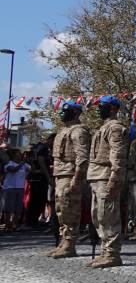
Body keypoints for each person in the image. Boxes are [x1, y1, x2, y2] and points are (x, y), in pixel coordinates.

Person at [86, 96, 129, 268]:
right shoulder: (103, 128)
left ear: (112, 108)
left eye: (102, 106)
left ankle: (112, 254)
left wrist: (114, 177)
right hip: (96, 176)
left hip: (106, 176)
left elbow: (117, 155)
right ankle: (105, 251)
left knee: (108, 215)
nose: (98, 109)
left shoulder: (115, 128)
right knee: (98, 215)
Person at [44, 101, 90, 259]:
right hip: (60, 175)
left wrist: (76, 180)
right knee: (61, 211)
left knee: (70, 211)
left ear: (76, 113)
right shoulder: (64, 130)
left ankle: (70, 244)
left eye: (67, 111)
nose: (62, 113)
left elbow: (82, 157)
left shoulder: (78, 131)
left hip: (70, 175)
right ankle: (63, 242)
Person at [3, 151, 30, 231]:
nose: (20, 155)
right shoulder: (9, 164)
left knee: (17, 208)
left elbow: (31, 169)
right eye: (18, 154)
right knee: (8, 208)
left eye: (20, 154)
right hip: (9, 188)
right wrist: (23, 163)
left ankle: (15, 225)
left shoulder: (24, 164)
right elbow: (13, 170)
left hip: (20, 188)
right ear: (13, 156)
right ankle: (7, 226)